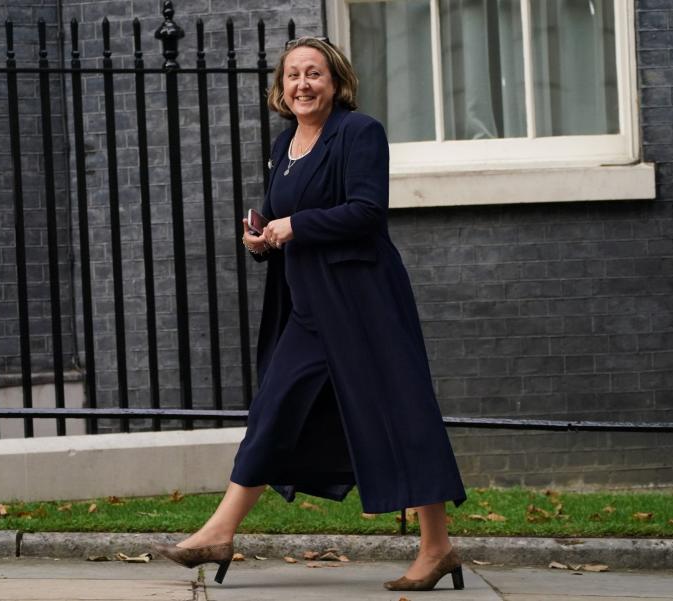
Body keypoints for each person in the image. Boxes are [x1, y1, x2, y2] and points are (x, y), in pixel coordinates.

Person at [154, 36, 467, 592]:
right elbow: (281, 215)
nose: (303, 84)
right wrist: (262, 238)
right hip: (309, 307)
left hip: (363, 300)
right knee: (273, 407)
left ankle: (437, 547)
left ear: (336, 82)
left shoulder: (359, 132)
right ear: (281, 87)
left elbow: (366, 211)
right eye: (293, 75)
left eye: (314, 74)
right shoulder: (285, 143)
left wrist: (296, 226)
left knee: (404, 415)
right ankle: (220, 531)